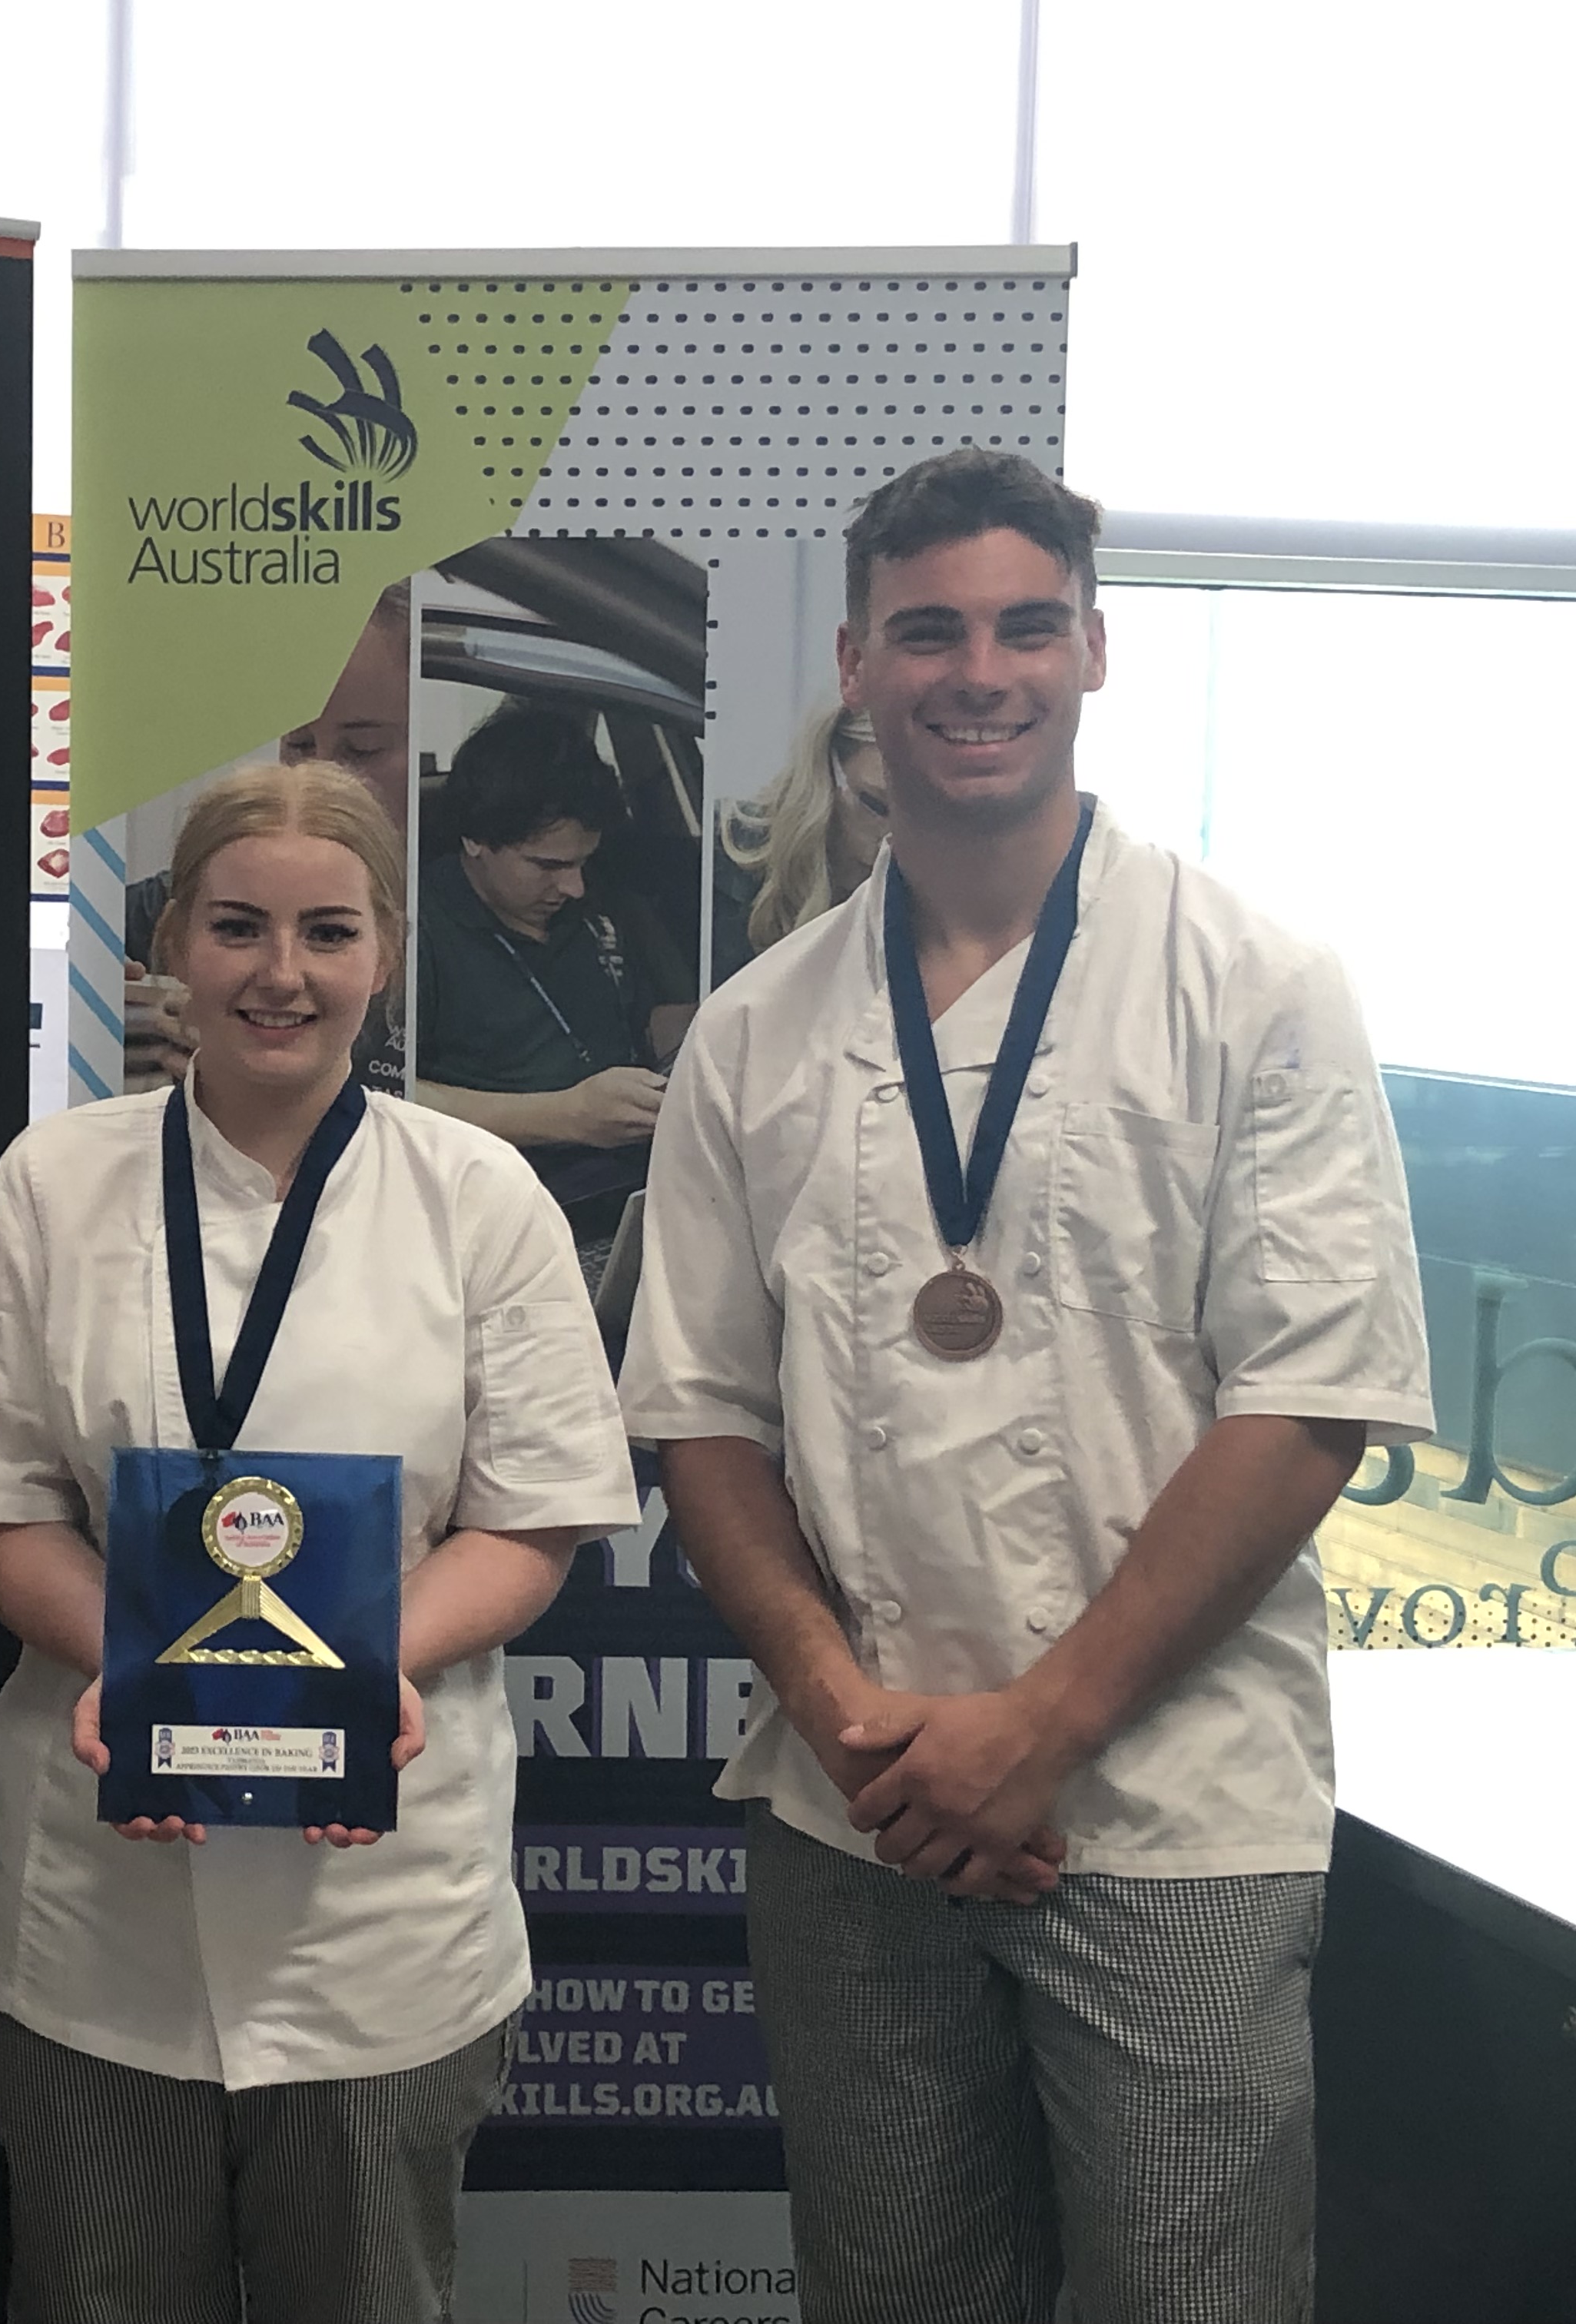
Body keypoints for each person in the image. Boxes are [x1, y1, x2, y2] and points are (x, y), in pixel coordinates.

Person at [622, 447, 1432, 2324]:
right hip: (866, 1808)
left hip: (1166, 1809)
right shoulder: (760, 1031)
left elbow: (1309, 1403)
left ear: (1093, 651)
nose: (975, 671)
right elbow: (698, 1413)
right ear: (855, 664)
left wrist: (1041, 1729)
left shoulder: (1256, 985)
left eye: (1021, 626)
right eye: (928, 632)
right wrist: (842, 1706)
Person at [0, 759, 637, 2324]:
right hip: (101, 1919)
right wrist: (147, 1670)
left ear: (386, 952)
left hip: (381, 1920)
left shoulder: (478, 1199)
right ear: (169, 943)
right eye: (236, 927)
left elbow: (533, 1521)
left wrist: (357, 1669)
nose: (280, 975)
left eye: (326, 933)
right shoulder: (54, 1183)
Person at [413, 702, 695, 1257]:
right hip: (510, 1218)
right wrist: (567, 1116)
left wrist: (702, 1031)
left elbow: (641, 1020)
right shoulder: (416, 927)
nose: (574, 888)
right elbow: (387, 1093)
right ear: (475, 839)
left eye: (583, 863)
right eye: (547, 866)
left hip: (641, 1193)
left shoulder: (597, 904)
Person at [122, 583, 411, 1093]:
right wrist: (93, 1015)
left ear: (387, 950)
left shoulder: (479, 901)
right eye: (299, 743)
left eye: (363, 749)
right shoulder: (168, 901)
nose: (322, 771)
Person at [712, 699, 888, 982]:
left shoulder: (931, 888)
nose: (895, 834)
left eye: (922, 816)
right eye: (877, 806)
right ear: (828, 771)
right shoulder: (736, 850)